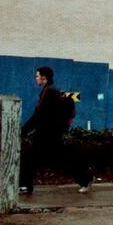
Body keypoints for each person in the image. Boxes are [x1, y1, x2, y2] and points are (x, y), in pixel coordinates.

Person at [20, 66, 92, 194]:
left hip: (48, 135)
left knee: (58, 159)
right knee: (33, 158)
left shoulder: (49, 93)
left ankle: (85, 179)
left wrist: (23, 131)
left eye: (37, 76)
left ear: (44, 78)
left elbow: (38, 115)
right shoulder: (49, 91)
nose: (36, 79)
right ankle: (26, 186)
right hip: (48, 134)